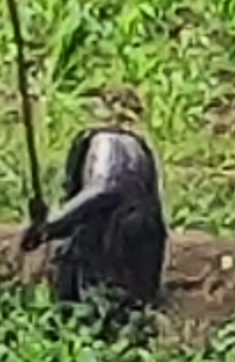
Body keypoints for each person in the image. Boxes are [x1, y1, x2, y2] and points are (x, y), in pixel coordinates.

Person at [25, 125, 166, 319]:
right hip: (140, 231)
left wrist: (53, 222)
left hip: (122, 231)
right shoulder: (133, 148)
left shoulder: (106, 143)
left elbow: (103, 189)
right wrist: (46, 228)